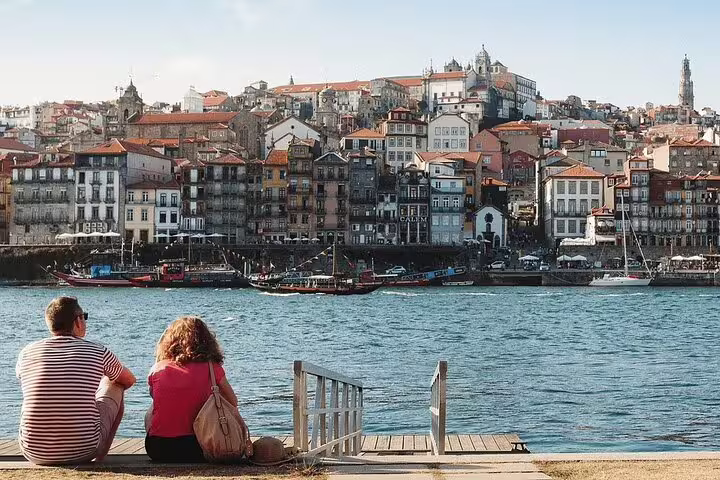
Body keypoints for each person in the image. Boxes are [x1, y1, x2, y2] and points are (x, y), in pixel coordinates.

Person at [16, 296, 136, 465]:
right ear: (78, 320)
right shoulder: (98, 351)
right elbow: (129, 380)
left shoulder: (27, 353)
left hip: (33, 451)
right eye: (84, 316)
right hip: (84, 449)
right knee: (116, 382)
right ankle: (100, 456)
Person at [145, 316, 248, 462]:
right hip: (198, 448)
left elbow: (156, 398)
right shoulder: (213, 368)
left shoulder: (158, 368)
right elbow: (233, 401)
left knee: (156, 407)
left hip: (157, 448)